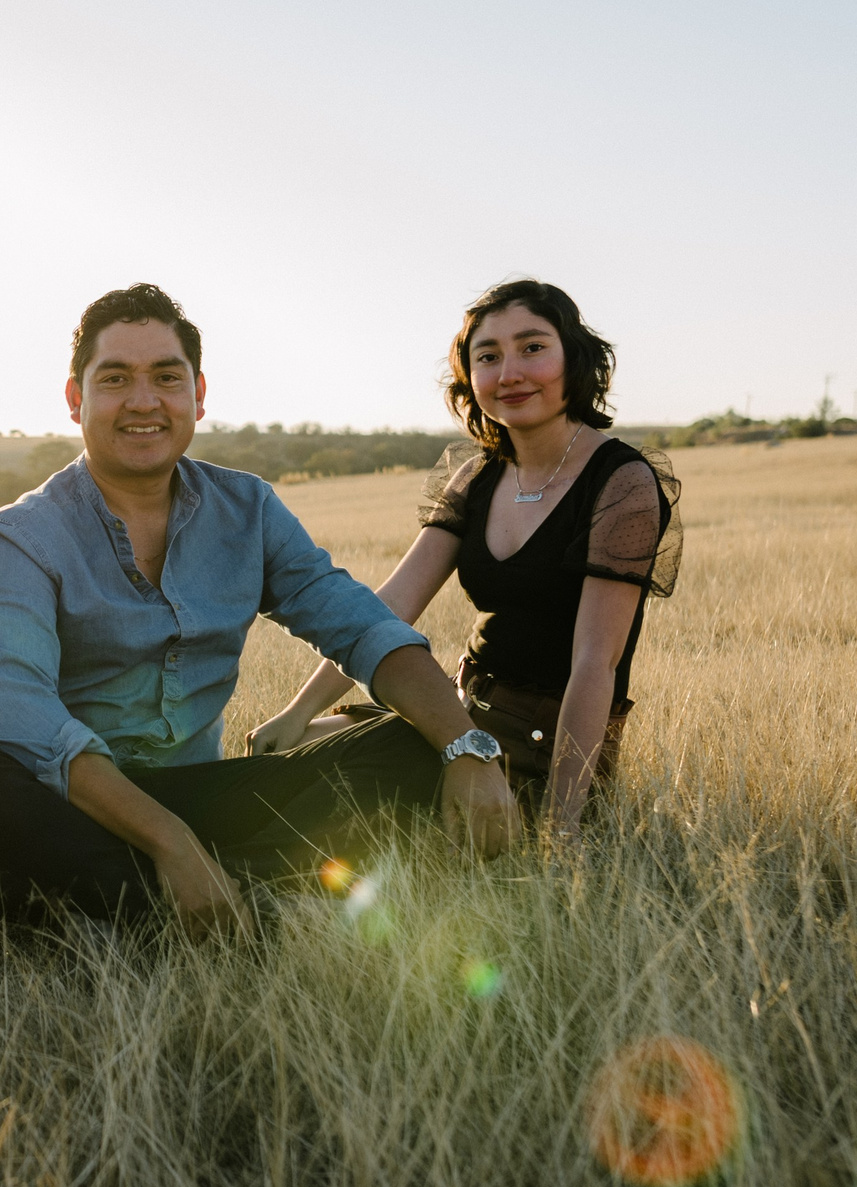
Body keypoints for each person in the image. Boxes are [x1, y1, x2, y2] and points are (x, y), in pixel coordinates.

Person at [0, 283, 521, 930]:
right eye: (115, 377)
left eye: (166, 377)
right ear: (74, 398)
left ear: (198, 395)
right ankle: (241, 904)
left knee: (415, 743)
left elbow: (361, 626)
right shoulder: (21, 537)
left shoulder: (248, 511)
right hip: (77, 802)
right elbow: (20, 717)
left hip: (209, 795)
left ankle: (121, 905)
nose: (143, 401)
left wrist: (468, 747)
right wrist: (171, 842)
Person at [249, 279, 679, 842]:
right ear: (469, 377)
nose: (509, 373)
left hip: (544, 740)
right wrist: (296, 711)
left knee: (343, 794)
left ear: (574, 357)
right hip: (457, 713)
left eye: (532, 348)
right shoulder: (477, 475)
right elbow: (386, 610)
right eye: (488, 357)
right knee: (291, 754)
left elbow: (594, 667)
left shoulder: (620, 481)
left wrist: (563, 828)